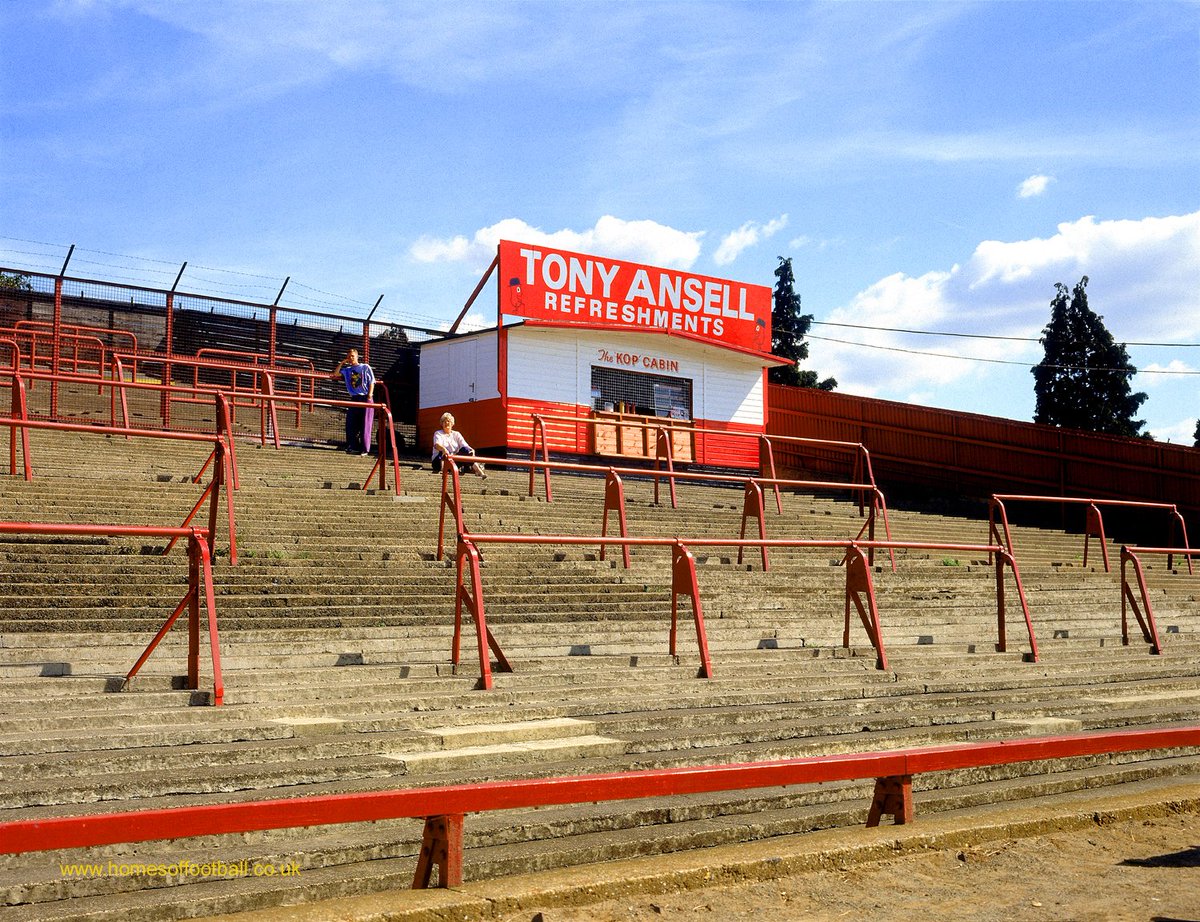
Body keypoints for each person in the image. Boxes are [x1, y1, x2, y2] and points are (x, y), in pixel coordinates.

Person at [330, 348, 375, 454]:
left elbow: (372, 381)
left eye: (352, 356)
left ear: (357, 356)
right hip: (355, 398)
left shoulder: (365, 367)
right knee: (351, 422)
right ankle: (352, 446)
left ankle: (365, 449)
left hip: (365, 397)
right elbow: (336, 374)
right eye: (349, 356)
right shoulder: (347, 370)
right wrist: (342, 363)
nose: (351, 358)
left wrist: (370, 395)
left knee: (365, 423)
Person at [431, 412, 486, 478]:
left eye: (448, 421)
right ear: (441, 424)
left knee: (466, 451)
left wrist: (471, 450)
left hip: (453, 460)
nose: (446, 423)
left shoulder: (456, 434)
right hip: (439, 461)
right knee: (442, 452)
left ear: (452, 423)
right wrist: (444, 449)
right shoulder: (438, 433)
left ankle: (479, 471)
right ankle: (443, 472)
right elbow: (436, 445)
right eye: (444, 422)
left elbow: (464, 445)